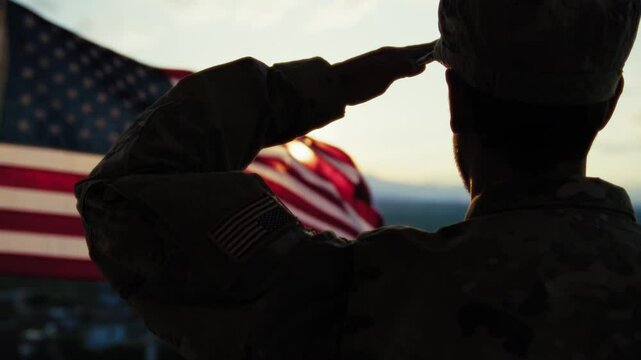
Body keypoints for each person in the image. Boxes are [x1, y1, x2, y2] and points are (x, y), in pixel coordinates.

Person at [75, 0, 641, 359]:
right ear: (611, 102)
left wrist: (322, 88)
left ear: (454, 99)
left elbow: (126, 194)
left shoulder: (364, 294)